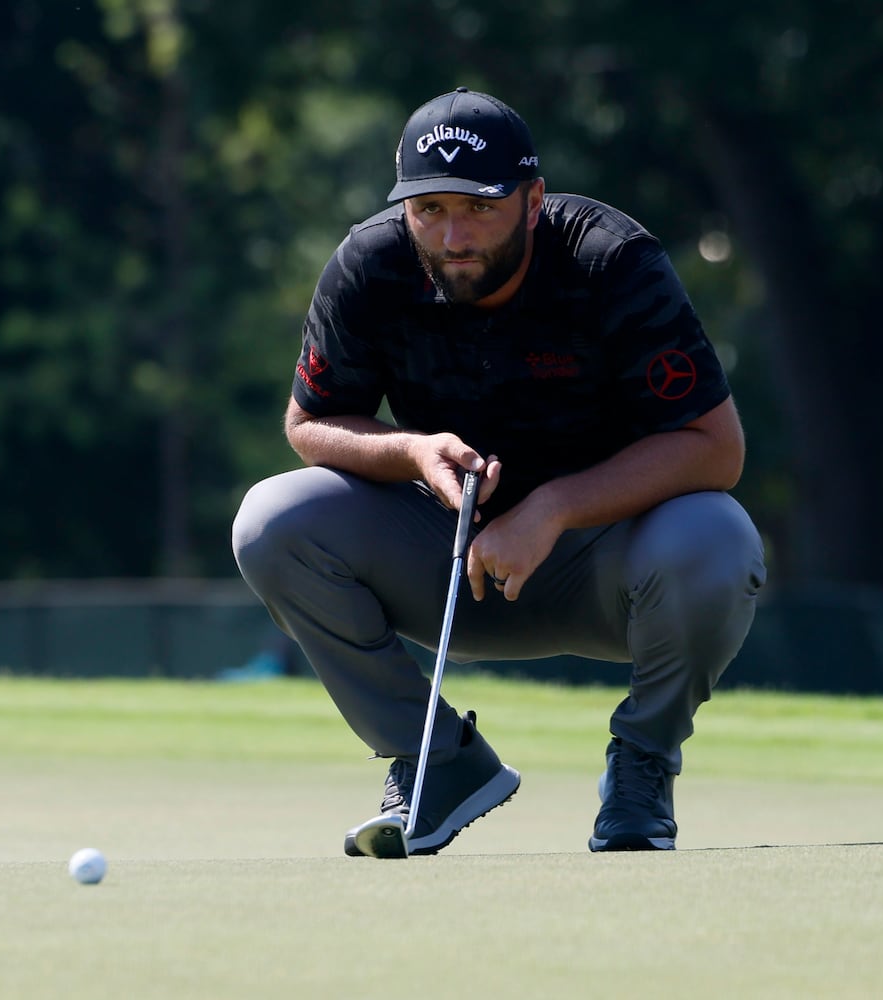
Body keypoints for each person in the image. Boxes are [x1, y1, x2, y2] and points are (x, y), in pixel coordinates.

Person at [231, 87, 766, 855]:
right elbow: (308, 423)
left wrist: (552, 508)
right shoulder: (371, 264)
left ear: (533, 199)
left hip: (607, 567)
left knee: (719, 536)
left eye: (479, 208)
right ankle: (435, 761)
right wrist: (409, 450)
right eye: (429, 209)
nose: (452, 236)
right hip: (444, 569)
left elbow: (717, 447)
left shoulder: (608, 260)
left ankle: (644, 762)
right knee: (271, 520)